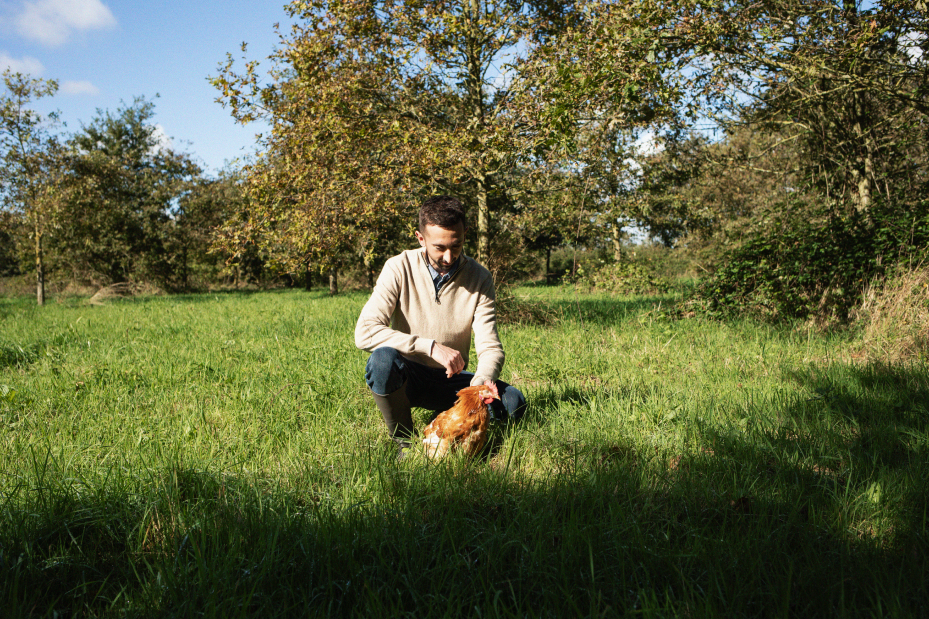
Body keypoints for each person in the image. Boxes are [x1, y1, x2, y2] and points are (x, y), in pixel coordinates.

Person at [354, 195, 526, 456]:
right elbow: (365, 332)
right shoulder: (398, 267)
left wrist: (477, 389)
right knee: (382, 361)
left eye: (456, 246)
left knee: (514, 402)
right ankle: (404, 441)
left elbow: (490, 347)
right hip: (408, 375)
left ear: (465, 234)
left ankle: (446, 420)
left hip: (453, 381)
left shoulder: (480, 277)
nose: (448, 257)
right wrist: (430, 347)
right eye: (439, 247)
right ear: (420, 238)